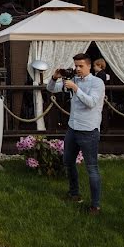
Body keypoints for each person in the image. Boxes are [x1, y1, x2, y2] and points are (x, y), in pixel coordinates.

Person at [46, 53, 105, 215]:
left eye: (81, 66)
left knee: (91, 168)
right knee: (68, 162)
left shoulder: (97, 82)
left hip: (89, 130)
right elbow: (51, 89)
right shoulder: (74, 80)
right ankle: (74, 193)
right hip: (73, 128)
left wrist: (76, 89)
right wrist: (54, 77)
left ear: (88, 65)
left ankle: (95, 205)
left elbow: (91, 103)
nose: (77, 69)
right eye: (76, 66)